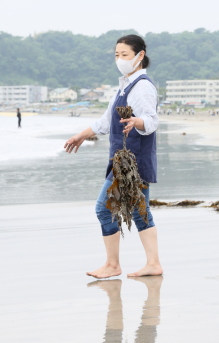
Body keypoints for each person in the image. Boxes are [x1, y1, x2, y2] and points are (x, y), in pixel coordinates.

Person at [64, 34, 163, 279]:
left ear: (140, 56)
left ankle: (113, 265)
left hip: (133, 162)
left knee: (103, 209)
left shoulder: (142, 87)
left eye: (125, 55)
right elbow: (106, 121)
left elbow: (151, 121)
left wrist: (137, 121)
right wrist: (80, 135)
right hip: (122, 160)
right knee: (141, 211)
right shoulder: (125, 86)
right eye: (117, 55)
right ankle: (152, 264)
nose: (119, 59)